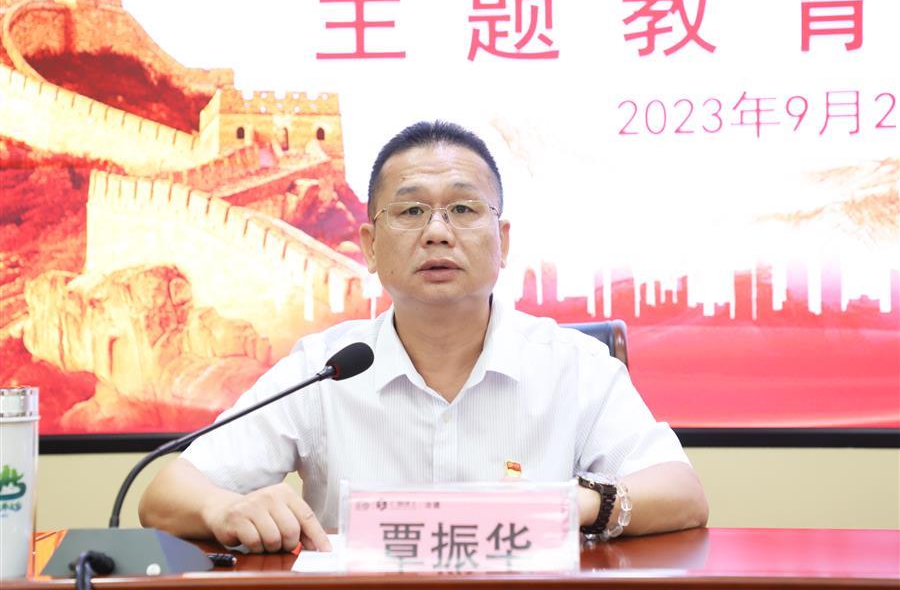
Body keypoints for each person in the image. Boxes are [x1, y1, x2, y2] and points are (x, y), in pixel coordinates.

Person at [139, 120, 708, 553]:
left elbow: (682, 493)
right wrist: (225, 510)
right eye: (410, 211)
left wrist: (569, 504)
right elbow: (165, 496)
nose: (437, 232)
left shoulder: (573, 364)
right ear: (369, 245)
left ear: (503, 242)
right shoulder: (325, 368)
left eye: (463, 208)